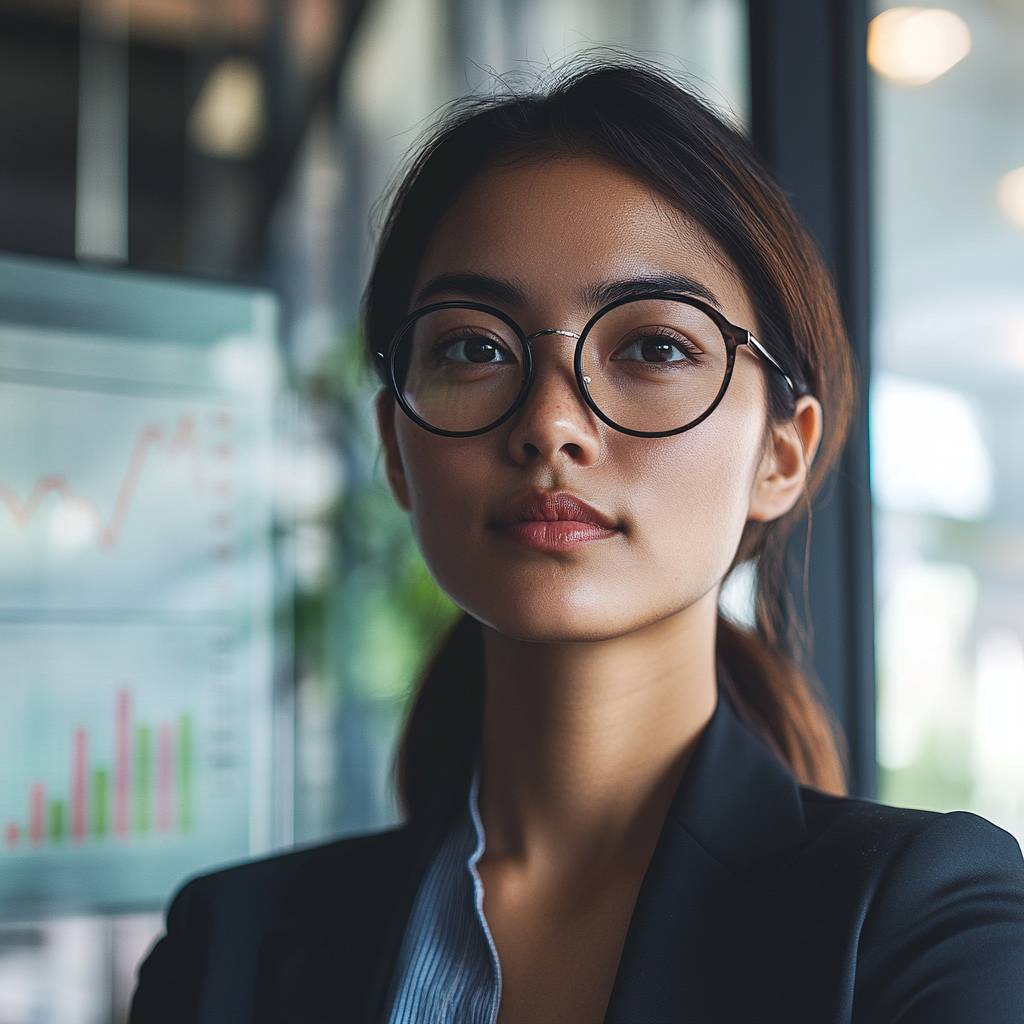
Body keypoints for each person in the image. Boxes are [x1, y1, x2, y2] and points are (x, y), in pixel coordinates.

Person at [128, 52, 1024, 1024]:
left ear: (780, 453)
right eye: (474, 347)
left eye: (652, 346)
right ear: (396, 443)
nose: (551, 423)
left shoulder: (920, 921)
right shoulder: (231, 949)